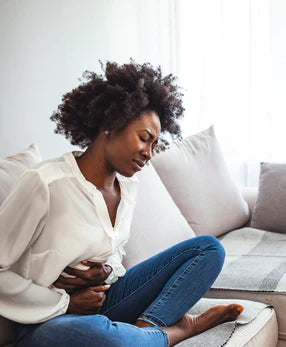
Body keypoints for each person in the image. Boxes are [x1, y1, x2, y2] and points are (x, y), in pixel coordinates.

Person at [0, 61, 243, 347]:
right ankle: (177, 332)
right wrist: (65, 302)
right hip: (46, 322)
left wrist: (105, 271)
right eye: (144, 139)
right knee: (100, 335)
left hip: (105, 300)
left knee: (208, 249)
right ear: (110, 124)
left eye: (154, 145)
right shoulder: (45, 183)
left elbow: (115, 253)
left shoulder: (127, 187)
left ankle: (144, 331)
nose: (149, 154)